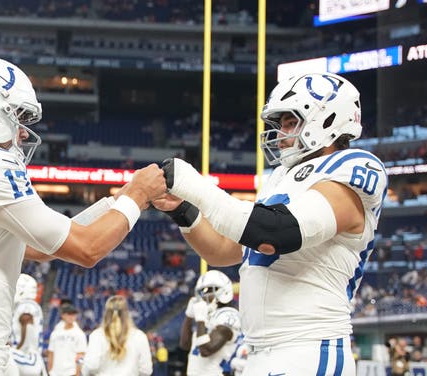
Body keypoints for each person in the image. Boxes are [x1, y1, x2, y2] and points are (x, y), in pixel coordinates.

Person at [0, 57, 166, 375]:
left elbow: (40, 246)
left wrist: (112, 204)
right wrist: (138, 195)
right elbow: (87, 249)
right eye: (16, 116)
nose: (23, 133)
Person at [154, 72, 387, 375]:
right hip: (260, 352)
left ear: (327, 120)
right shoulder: (279, 178)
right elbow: (223, 250)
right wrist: (183, 209)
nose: (281, 134)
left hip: (308, 348)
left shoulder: (353, 167)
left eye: (291, 122)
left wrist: (195, 185)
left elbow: (276, 233)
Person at [179, 270, 240, 376]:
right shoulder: (208, 316)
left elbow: (206, 350)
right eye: (203, 291)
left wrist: (200, 320)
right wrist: (189, 316)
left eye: (211, 290)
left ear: (224, 291)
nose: (205, 295)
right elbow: (185, 344)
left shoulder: (229, 316)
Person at [82, 295, 153, 376]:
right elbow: (146, 370)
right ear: (126, 313)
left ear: (106, 313)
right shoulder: (139, 336)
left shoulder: (97, 335)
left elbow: (91, 366)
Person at [9, 274, 47, 376]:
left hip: (27, 357)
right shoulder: (31, 305)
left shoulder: (26, 305)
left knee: (2, 354)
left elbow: (27, 326)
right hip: (29, 356)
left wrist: (17, 348)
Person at [47, 303, 87, 376]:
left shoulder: (79, 334)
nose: (71, 316)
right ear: (63, 315)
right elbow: (51, 353)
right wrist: (50, 371)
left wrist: (77, 373)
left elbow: (80, 355)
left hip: (70, 373)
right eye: (69, 314)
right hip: (55, 373)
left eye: (73, 314)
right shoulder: (55, 333)